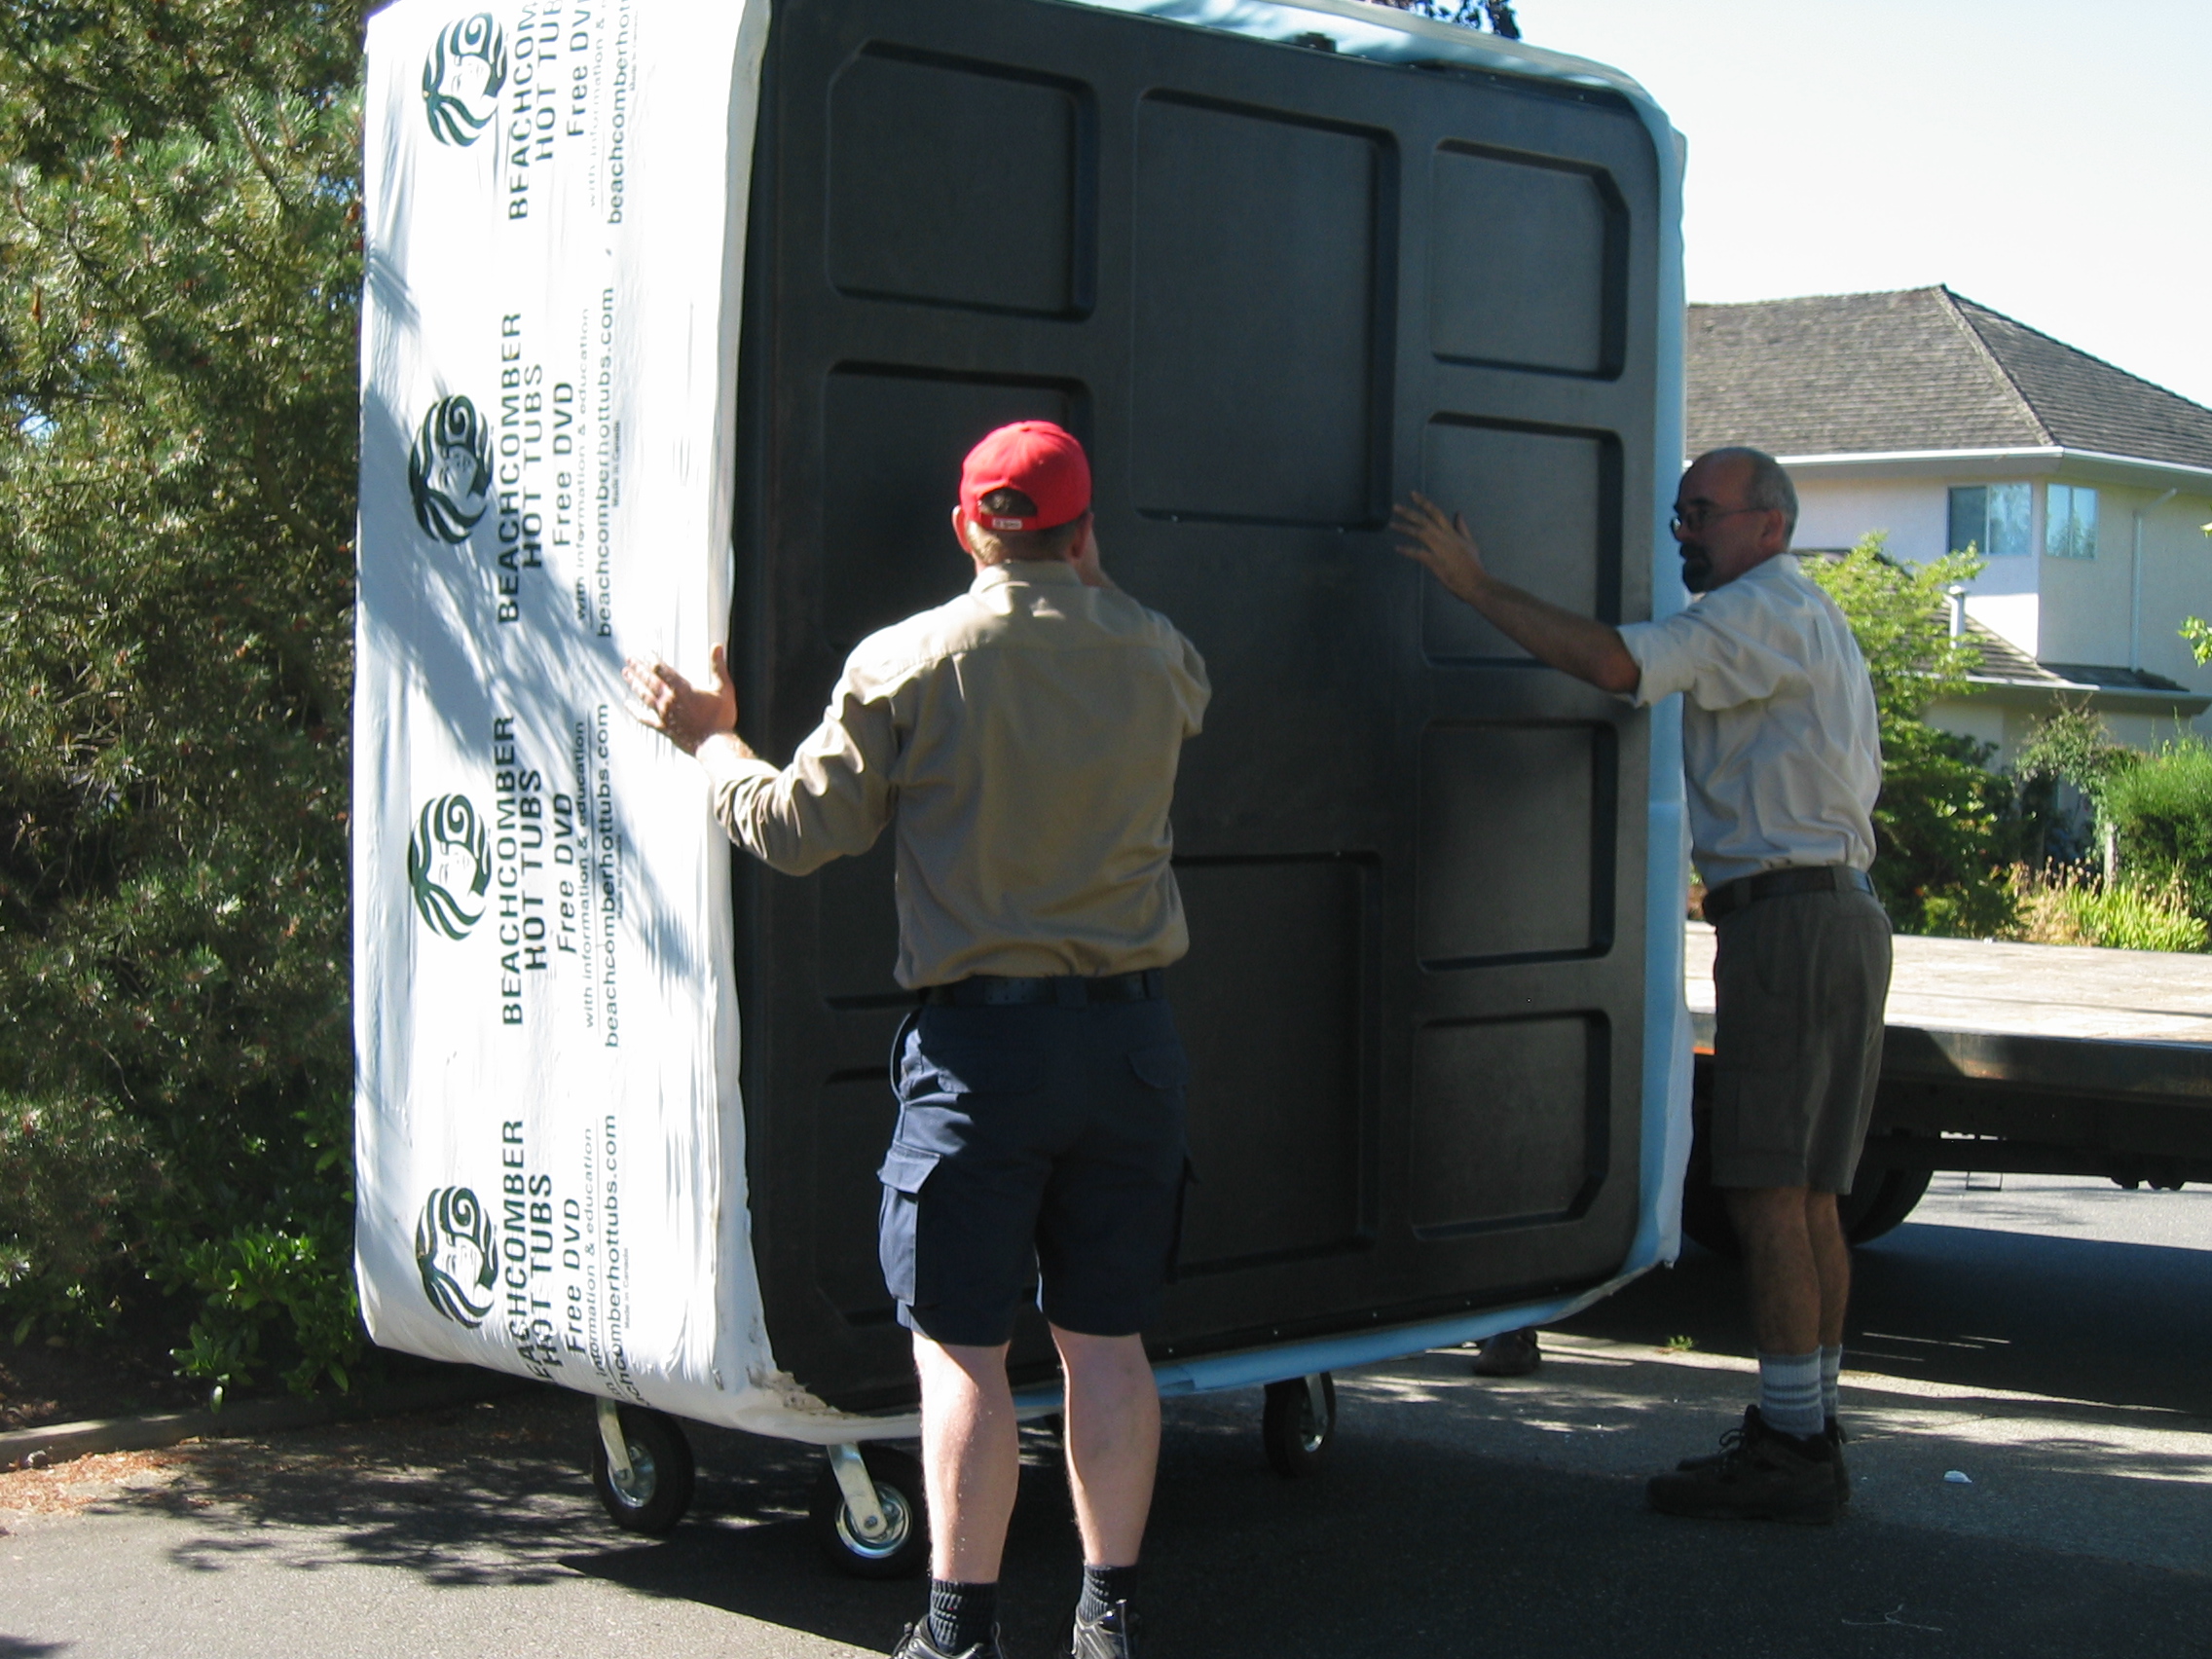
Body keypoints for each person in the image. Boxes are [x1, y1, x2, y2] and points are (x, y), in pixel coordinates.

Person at [626, 422, 1209, 1654]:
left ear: (966, 530)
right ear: (1085, 530)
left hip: (982, 1059)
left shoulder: (908, 662)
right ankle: (1109, 1621)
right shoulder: (1161, 657)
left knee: (961, 1352)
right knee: (1108, 1347)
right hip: (1131, 1050)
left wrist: (712, 740)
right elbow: (1148, 661)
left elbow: (793, 832)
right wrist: (1083, 583)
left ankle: (958, 1632)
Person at [1392, 446, 1888, 1526]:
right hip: (1831, 915)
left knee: (1765, 1193)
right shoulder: (1799, 613)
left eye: (1701, 513)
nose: (1683, 533)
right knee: (1805, 1196)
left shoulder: (1756, 611)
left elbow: (1619, 665)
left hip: (1791, 925)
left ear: (1769, 523)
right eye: (1677, 516)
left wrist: (1475, 588)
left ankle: (1795, 1448)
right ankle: (1808, 1430)